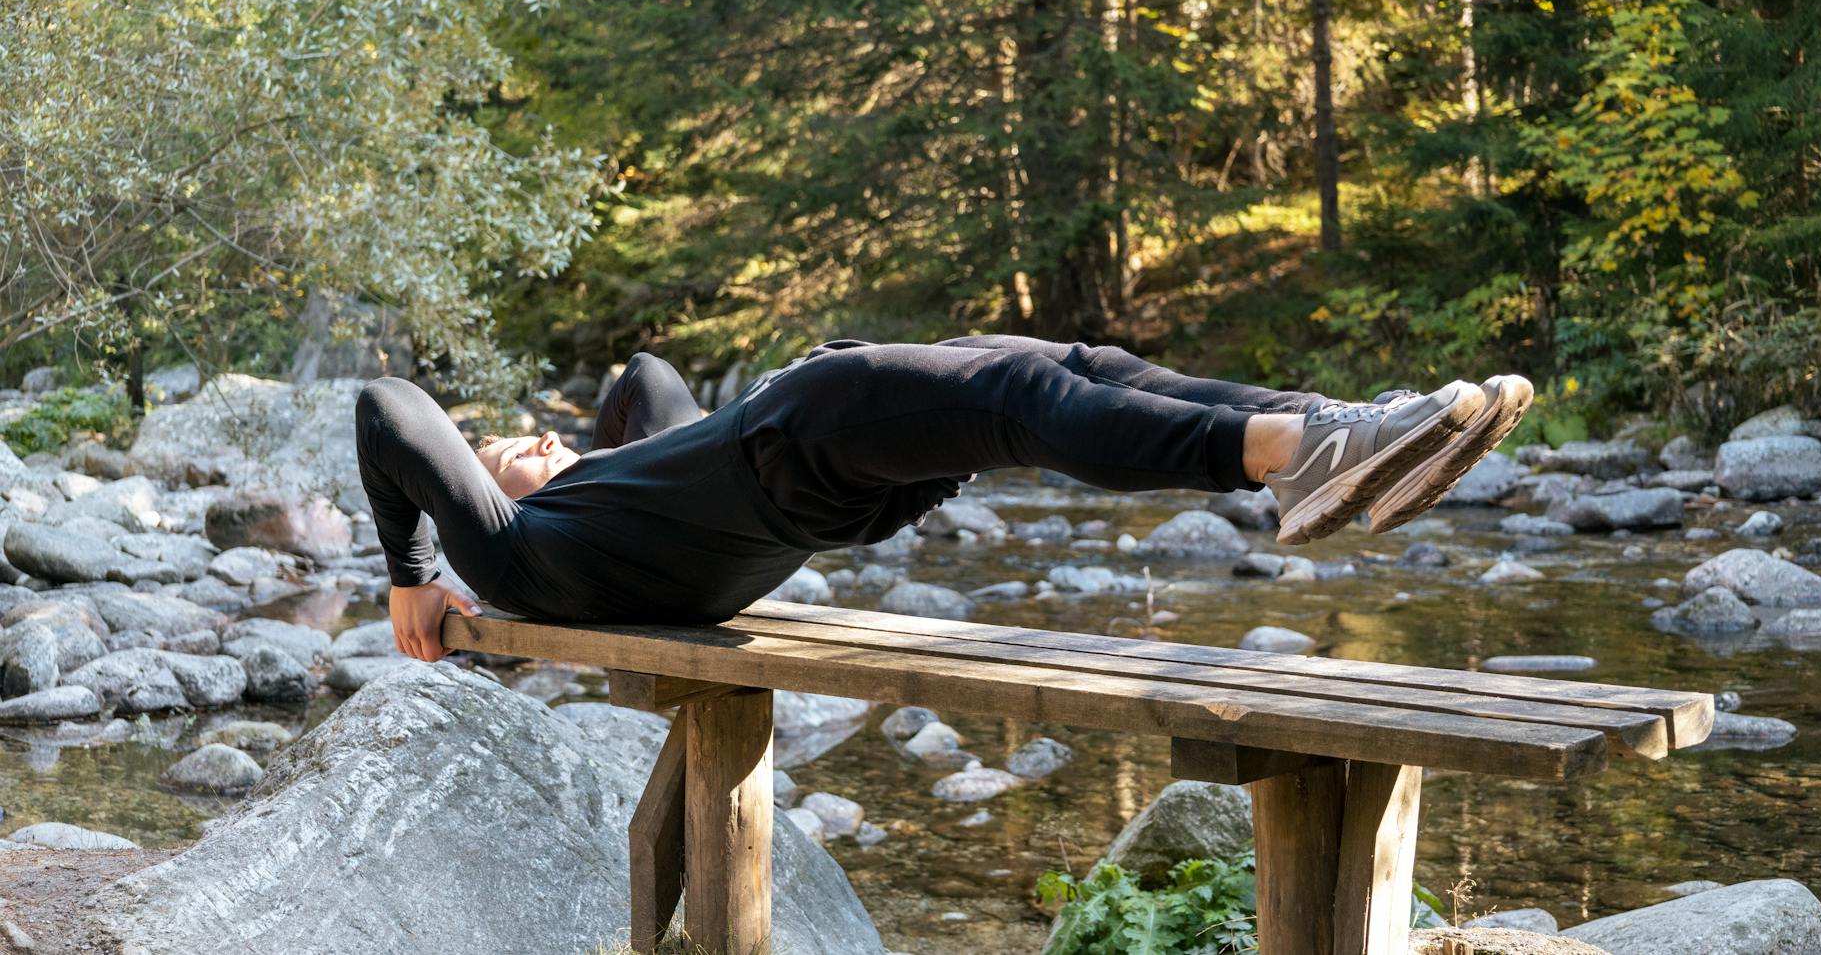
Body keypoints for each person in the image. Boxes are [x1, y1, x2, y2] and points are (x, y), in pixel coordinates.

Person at [356, 335, 1532, 662]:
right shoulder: (525, 557)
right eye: (511, 449)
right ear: (491, 506)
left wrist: (566, 460)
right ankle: (1295, 452)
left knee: (1083, 369)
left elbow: (645, 383)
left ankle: (1344, 429)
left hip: (822, 488)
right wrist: (417, 574)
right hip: (802, 434)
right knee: (1029, 389)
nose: (537, 437)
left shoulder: (609, 500)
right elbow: (392, 410)